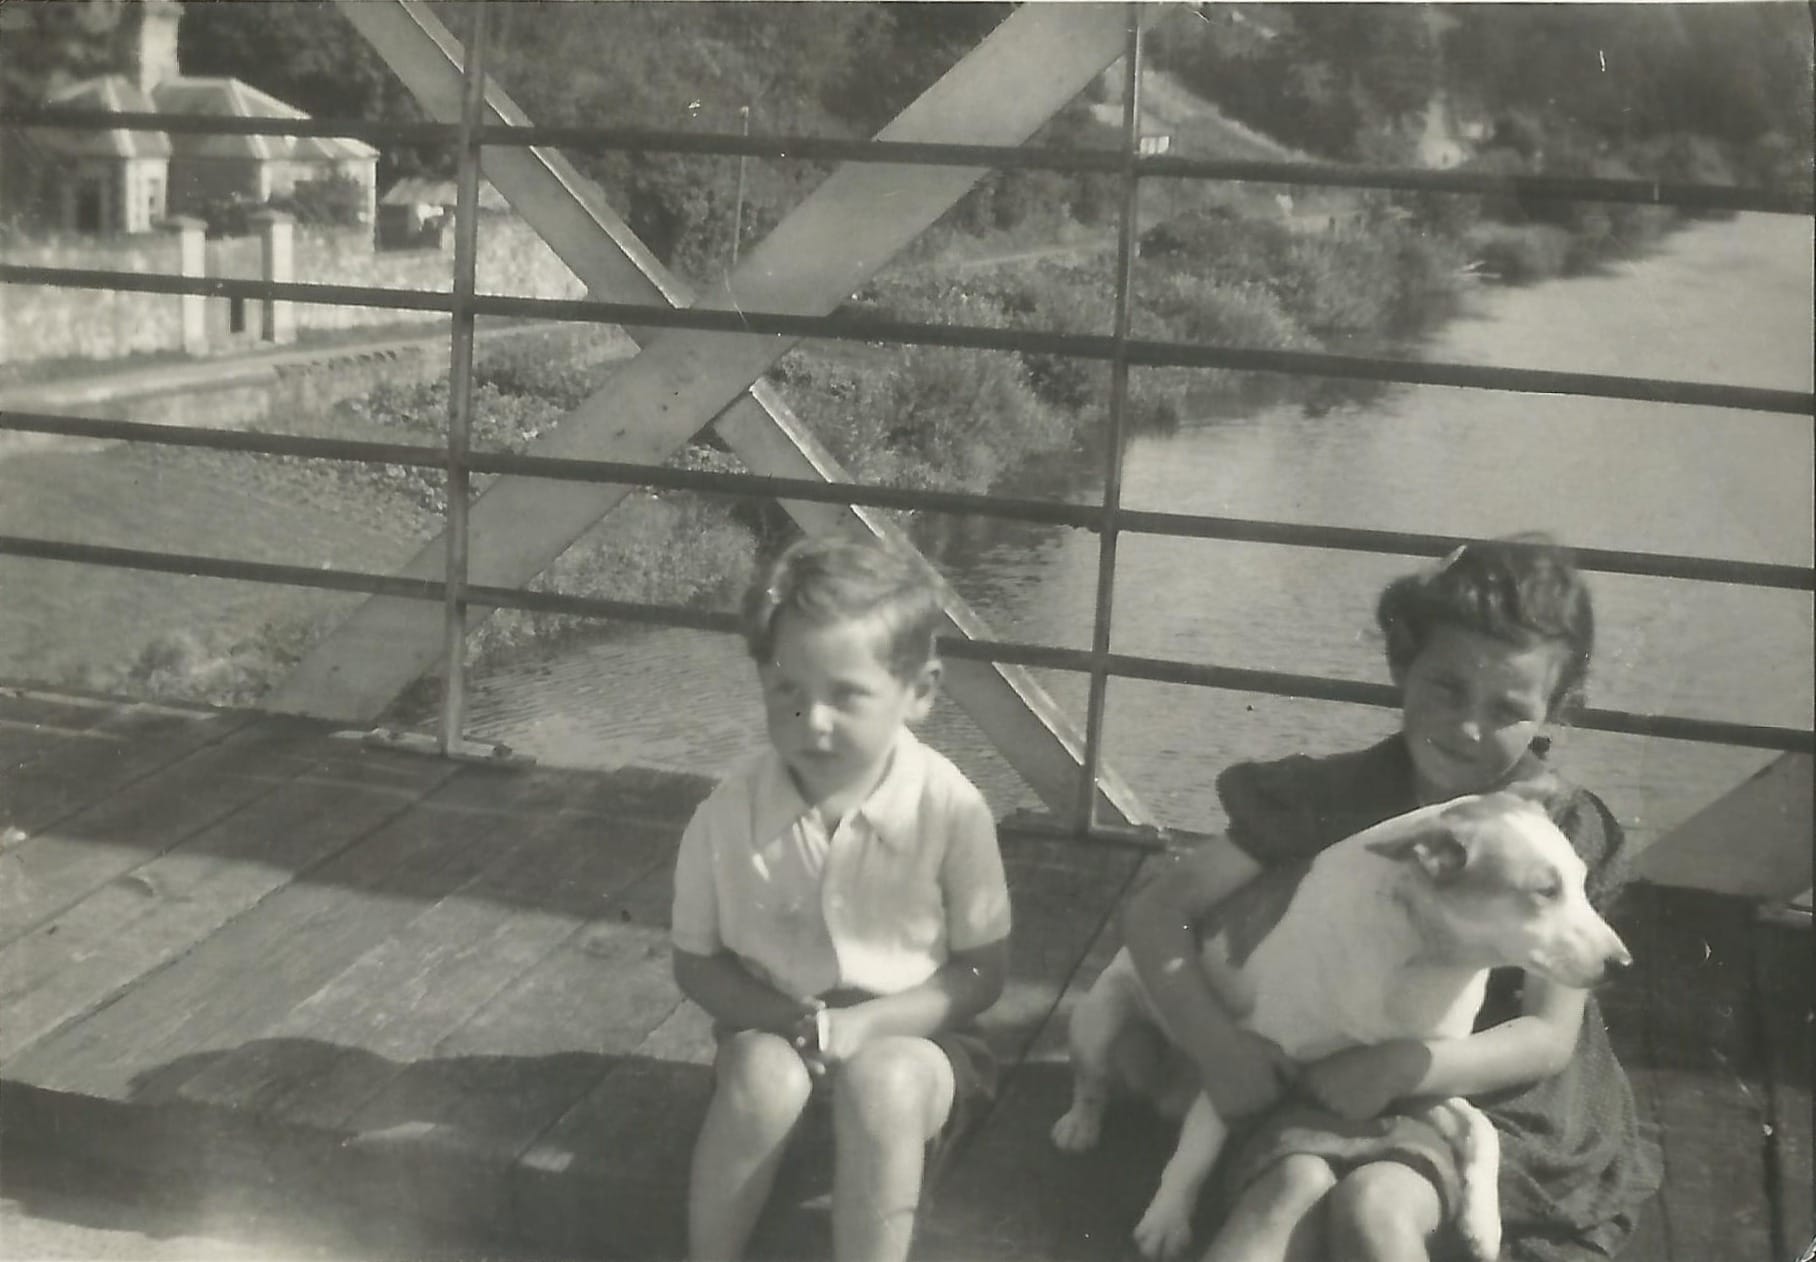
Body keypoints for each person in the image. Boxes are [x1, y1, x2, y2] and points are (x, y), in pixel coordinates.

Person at [1119, 533, 1661, 1261]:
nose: (1467, 727)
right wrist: (1218, 1047)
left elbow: (1546, 1037)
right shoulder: (1329, 799)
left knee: (1379, 1207)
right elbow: (1160, 911)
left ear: (1557, 711)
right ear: (1403, 667)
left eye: (1507, 708)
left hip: (1484, 1094)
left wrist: (1396, 1070)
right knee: (1290, 1190)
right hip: (1322, 1065)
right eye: (1445, 687)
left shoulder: (1555, 829)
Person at [670, 534, 1012, 1262]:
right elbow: (696, 964)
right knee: (760, 1078)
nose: (813, 721)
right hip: (777, 1032)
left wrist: (874, 1027)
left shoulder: (951, 810)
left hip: (921, 1044)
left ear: (918, 692)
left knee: (882, 1085)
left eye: (847, 695)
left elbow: (984, 971)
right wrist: (784, 1022)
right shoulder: (726, 813)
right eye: (788, 692)